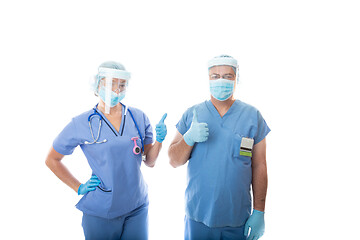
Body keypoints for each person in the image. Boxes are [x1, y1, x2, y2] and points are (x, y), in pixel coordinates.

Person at [45, 61, 167, 240]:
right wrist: (78, 187)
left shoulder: (138, 117)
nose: (116, 90)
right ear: (97, 84)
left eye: (122, 85)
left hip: (137, 206)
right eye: (111, 83)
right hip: (102, 210)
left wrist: (160, 141)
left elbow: (149, 162)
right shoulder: (81, 123)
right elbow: (52, 159)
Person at [168, 55, 270, 240]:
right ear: (208, 79)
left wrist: (259, 211)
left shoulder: (253, 116)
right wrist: (189, 138)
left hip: (237, 219)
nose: (221, 81)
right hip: (197, 218)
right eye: (215, 76)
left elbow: (260, 166)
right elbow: (173, 160)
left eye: (228, 76)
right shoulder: (192, 114)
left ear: (237, 79)